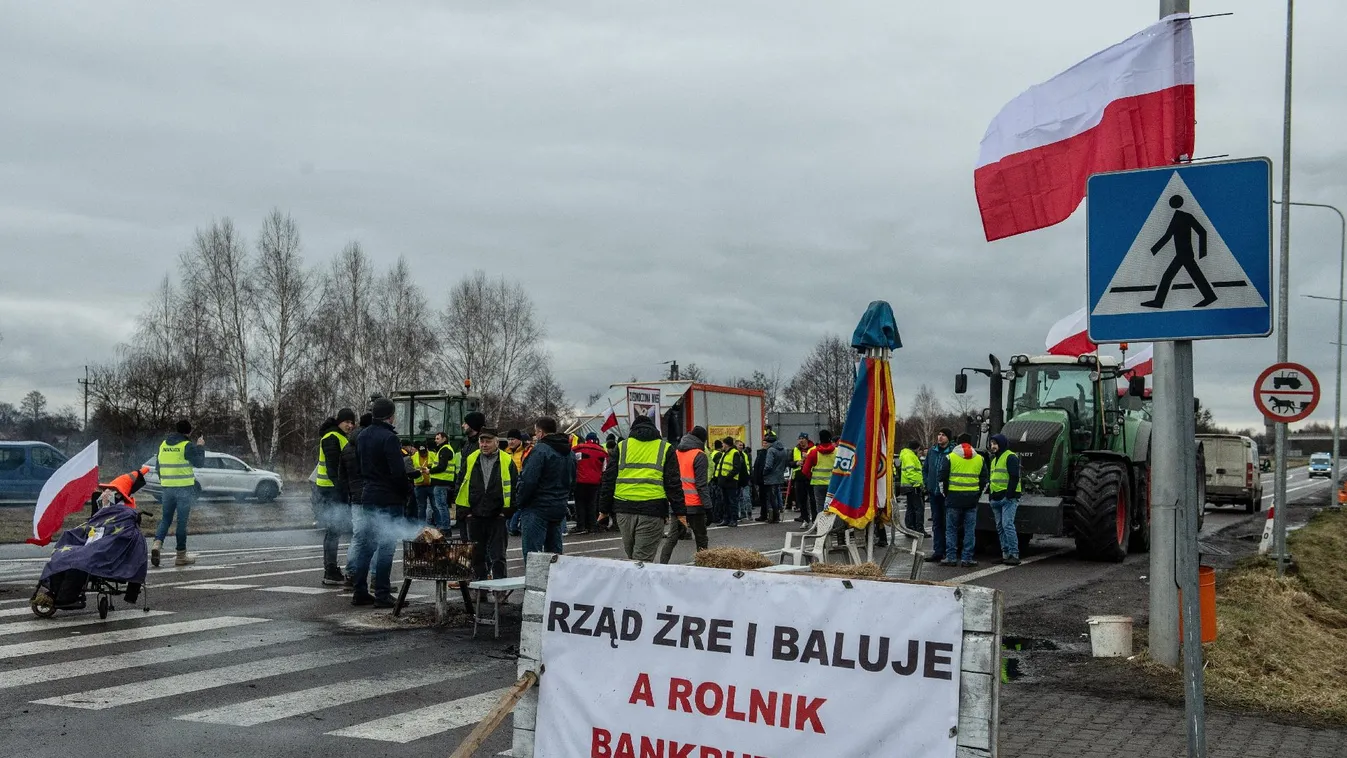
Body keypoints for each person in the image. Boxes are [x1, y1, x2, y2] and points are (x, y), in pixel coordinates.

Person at [598, 415, 686, 561]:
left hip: (623, 510)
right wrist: (681, 514)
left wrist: (604, 510)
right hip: (652, 510)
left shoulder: (622, 446)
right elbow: (673, 484)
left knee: (634, 558)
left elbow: (609, 480)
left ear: (633, 430)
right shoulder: (665, 448)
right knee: (641, 561)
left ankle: (633, 583)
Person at [350, 397, 409, 608]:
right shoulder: (390, 438)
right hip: (388, 498)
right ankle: (383, 593)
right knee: (386, 545)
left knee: (366, 545)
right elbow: (398, 472)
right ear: (391, 416)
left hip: (369, 495)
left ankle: (359, 591)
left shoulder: (362, 435)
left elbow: (359, 466)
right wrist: (407, 491)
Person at [456, 428, 517, 579]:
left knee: (498, 556)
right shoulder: (471, 458)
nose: (484, 444)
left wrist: (506, 511)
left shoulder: (507, 460)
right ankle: (480, 590)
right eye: (482, 441)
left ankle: (500, 591)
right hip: (475, 514)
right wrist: (466, 512)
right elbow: (460, 484)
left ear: (497, 442)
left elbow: (515, 486)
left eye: (488, 441)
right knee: (477, 556)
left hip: (497, 515)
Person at [513, 417, 575, 562]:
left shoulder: (539, 451)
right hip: (558, 506)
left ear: (540, 432)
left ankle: (535, 584)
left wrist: (520, 501)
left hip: (537, 507)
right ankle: (553, 584)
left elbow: (528, 480)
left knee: (533, 556)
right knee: (555, 556)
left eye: (536, 432)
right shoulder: (569, 452)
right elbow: (572, 480)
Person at [151, 419, 206, 567]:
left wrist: (165, 482)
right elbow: (200, 463)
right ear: (189, 432)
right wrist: (200, 447)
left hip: (167, 489)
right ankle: (181, 555)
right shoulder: (186, 445)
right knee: (181, 522)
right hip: (184, 489)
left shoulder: (163, 445)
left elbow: (158, 466)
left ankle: (157, 544)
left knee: (165, 519)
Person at [314, 408, 356, 586]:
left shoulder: (338, 436)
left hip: (331, 489)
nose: (350, 425)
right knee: (333, 530)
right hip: (331, 490)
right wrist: (342, 489)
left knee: (334, 530)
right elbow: (333, 468)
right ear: (339, 421)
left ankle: (331, 570)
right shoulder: (332, 437)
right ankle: (330, 570)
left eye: (352, 422)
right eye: (347, 421)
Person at [659, 426, 711, 563]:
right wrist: (708, 507)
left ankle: (662, 564)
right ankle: (703, 566)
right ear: (702, 440)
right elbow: (701, 485)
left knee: (672, 538)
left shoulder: (676, 452)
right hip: (695, 505)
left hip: (678, 504)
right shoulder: (699, 455)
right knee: (701, 538)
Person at [940, 433, 987, 568]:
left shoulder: (950, 457)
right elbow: (984, 480)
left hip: (953, 499)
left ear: (957, 443)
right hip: (971, 499)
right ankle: (967, 558)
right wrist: (978, 495)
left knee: (951, 529)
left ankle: (951, 557)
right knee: (970, 530)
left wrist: (946, 495)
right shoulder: (979, 459)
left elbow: (942, 478)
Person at [341, 412, 372, 590]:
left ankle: (351, 574)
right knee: (377, 535)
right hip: (372, 496)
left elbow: (341, 475)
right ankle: (376, 579)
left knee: (358, 537)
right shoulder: (370, 443)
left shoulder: (347, 446)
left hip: (356, 498)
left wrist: (351, 493)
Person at [988, 434, 1022, 565]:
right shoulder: (994, 460)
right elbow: (993, 479)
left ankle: (1014, 554)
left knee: (1007, 525)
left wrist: (1008, 495)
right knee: (1001, 527)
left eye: (995, 443)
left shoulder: (1010, 456)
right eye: (991, 444)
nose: (992, 446)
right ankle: (1006, 554)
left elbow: (1014, 477)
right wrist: (991, 496)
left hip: (1008, 498)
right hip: (996, 497)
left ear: (1001, 444)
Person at [923, 428, 956, 563]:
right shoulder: (932, 452)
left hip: (947, 493)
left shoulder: (953, 452)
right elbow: (925, 469)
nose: (940, 437)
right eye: (939, 434)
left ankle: (950, 552)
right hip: (934, 492)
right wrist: (927, 483)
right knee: (937, 523)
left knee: (949, 523)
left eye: (943, 435)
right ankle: (938, 551)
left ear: (948, 438)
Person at [457, 411, 486, 539]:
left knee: (475, 538)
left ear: (472, 426)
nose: (463, 425)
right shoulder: (468, 443)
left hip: (475, 498)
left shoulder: (480, 445)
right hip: (464, 495)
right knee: (465, 537)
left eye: (465, 423)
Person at [572, 432, 608, 535]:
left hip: (580, 481)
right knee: (592, 504)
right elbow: (604, 469)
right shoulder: (602, 452)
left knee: (579, 503)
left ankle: (581, 526)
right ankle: (592, 525)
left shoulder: (577, 449)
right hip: (595, 482)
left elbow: (573, 463)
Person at [801, 430, 838, 529]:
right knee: (833, 505)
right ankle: (834, 525)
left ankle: (822, 526)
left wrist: (812, 477)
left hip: (818, 484)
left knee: (820, 506)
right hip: (833, 485)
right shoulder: (837, 451)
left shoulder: (814, 452)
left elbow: (805, 470)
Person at [712, 436, 749, 527]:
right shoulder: (725, 453)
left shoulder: (734, 453)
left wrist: (727, 477)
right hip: (724, 481)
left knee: (732, 501)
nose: (722, 445)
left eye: (723, 443)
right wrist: (717, 477)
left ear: (727, 444)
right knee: (725, 502)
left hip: (731, 481)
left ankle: (733, 519)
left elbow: (736, 468)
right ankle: (726, 519)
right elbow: (721, 467)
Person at [504, 429, 533, 536]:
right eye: (509, 439)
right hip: (508, 484)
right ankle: (511, 526)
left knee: (519, 506)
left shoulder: (526, 451)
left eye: (513, 439)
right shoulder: (506, 452)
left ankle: (513, 526)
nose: (510, 442)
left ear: (519, 440)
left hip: (520, 483)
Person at [427, 431, 457, 531]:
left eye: (437, 438)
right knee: (442, 506)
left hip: (442, 482)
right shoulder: (445, 449)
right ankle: (445, 527)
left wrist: (429, 471)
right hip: (444, 482)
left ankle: (445, 527)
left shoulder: (444, 450)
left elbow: (442, 467)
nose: (435, 440)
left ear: (444, 439)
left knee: (441, 506)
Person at [898, 440, 927, 535]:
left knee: (911, 508)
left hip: (909, 486)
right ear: (916, 448)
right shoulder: (910, 456)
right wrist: (918, 484)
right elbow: (911, 472)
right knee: (919, 508)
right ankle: (919, 529)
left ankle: (910, 528)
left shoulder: (907, 455)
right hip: (913, 486)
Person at [760, 431, 788, 524]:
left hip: (771, 477)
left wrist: (764, 473)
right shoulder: (783, 449)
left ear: (769, 443)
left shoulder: (771, 450)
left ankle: (774, 517)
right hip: (779, 476)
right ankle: (776, 516)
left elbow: (768, 465)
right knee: (776, 496)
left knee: (771, 498)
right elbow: (785, 463)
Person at [411, 443, 436, 525]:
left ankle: (439, 525)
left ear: (427, 449)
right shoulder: (414, 457)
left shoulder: (433, 455)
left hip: (431, 484)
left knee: (435, 506)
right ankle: (422, 527)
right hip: (419, 485)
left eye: (425, 452)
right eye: (421, 452)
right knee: (421, 507)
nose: (423, 454)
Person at [791, 434, 813, 521]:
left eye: (802, 438)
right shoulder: (795, 449)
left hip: (811, 476)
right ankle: (805, 519)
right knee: (801, 500)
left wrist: (808, 458)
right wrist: (796, 463)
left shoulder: (813, 448)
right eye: (799, 439)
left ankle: (815, 519)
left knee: (813, 500)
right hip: (799, 477)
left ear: (807, 439)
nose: (800, 440)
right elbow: (789, 462)